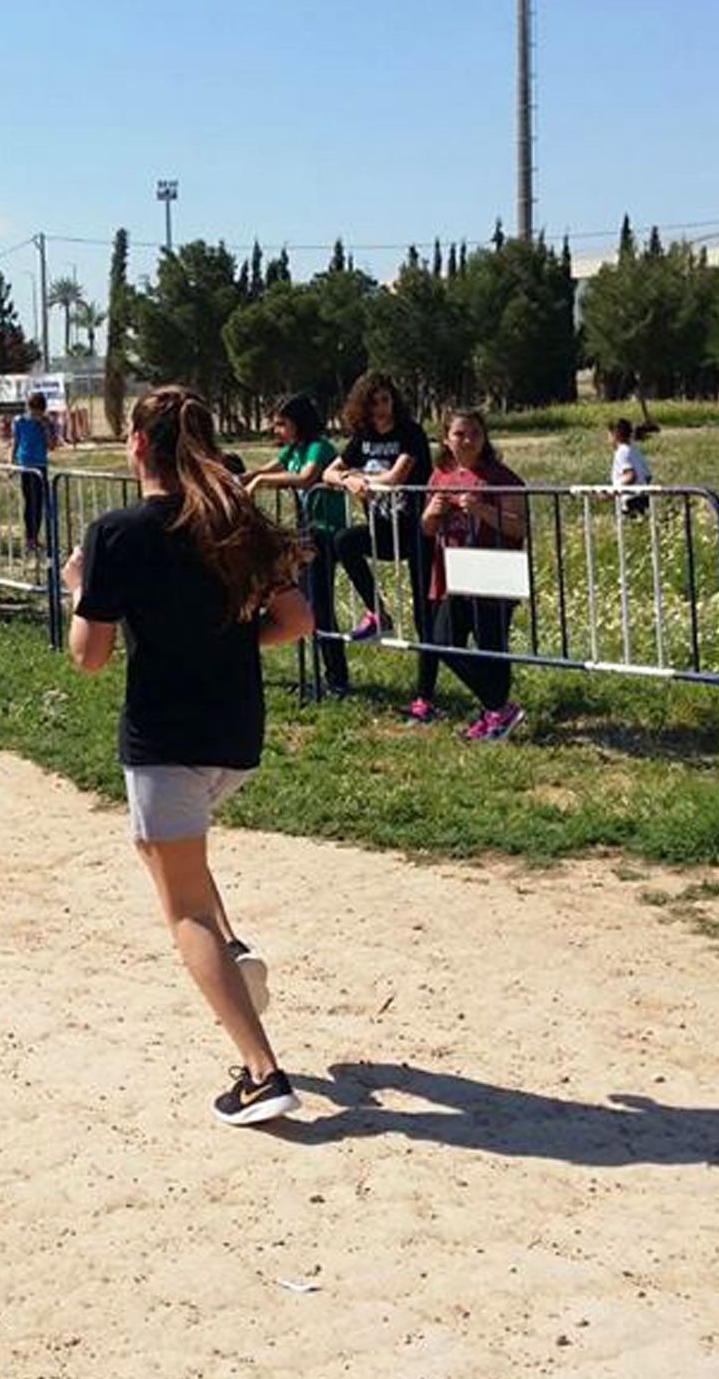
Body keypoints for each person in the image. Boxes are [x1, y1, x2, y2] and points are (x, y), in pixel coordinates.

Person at [61, 385, 313, 1126]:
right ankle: (233, 948)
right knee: (161, 849)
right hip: (234, 732)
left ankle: (263, 1073)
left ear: (138, 445)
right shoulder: (234, 520)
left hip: (165, 737)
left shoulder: (117, 533)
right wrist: (228, 643)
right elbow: (296, 618)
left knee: (182, 913)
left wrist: (78, 589)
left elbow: (89, 657)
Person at [321, 371, 440, 721]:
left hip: (417, 531)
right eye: (373, 403)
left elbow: (395, 477)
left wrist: (359, 479)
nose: (380, 409)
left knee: (424, 617)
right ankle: (378, 613)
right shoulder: (363, 438)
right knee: (345, 541)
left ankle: (425, 697)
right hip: (383, 529)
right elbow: (328, 472)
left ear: (394, 400)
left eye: (385, 400)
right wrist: (347, 479)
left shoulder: (410, 433)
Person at [421, 409, 528, 741]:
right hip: (452, 573)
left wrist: (483, 510)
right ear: (445, 439)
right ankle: (499, 707)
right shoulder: (440, 475)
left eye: (475, 434)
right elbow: (427, 528)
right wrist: (431, 513)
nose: (468, 441)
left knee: (492, 648)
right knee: (443, 642)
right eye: (459, 434)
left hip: (493, 572)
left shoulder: (501, 477)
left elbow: (520, 527)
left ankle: (494, 715)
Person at [241, 393, 350, 697]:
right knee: (308, 603)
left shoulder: (318, 447)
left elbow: (305, 478)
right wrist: (240, 478)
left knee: (320, 608)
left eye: (282, 424)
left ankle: (337, 678)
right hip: (305, 536)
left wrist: (260, 483)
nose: (277, 430)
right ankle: (318, 675)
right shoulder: (293, 449)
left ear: (298, 423)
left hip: (325, 534)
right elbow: (267, 468)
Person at [11, 390, 53, 556]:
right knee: (30, 502)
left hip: (40, 465)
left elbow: (51, 445)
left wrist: (44, 427)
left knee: (39, 503)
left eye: (38, 411)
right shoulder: (20, 421)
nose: (35, 414)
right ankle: (29, 538)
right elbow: (15, 442)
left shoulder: (45, 423)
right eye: (32, 409)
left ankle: (35, 536)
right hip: (25, 465)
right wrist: (12, 462)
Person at [610, 416, 655, 517]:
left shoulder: (621, 452)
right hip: (642, 498)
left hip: (629, 500)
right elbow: (647, 476)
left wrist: (613, 490)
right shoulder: (635, 451)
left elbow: (630, 476)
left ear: (615, 434)